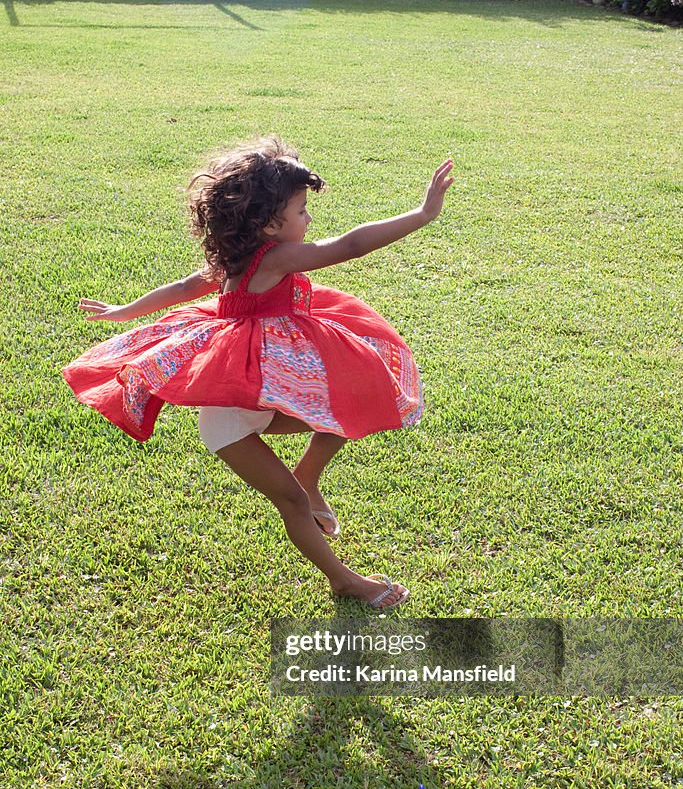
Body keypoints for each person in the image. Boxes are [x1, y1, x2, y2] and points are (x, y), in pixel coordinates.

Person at [62, 137, 454, 610]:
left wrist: (127, 309)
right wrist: (422, 214)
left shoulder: (238, 256)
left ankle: (308, 476)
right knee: (287, 500)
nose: (309, 220)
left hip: (257, 391)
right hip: (231, 420)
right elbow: (350, 244)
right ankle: (344, 579)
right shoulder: (274, 258)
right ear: (269, 224)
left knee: (345, 407)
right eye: (302, 211)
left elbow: (184, 287)